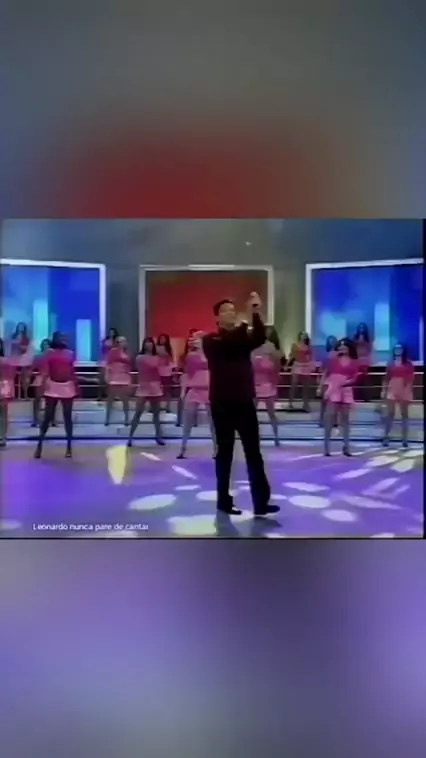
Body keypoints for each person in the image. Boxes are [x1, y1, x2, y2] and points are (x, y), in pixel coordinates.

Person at [202, 292, 279, 517]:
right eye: (226, 311)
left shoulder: (242, 337)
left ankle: (261, 502)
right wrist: (246, 321)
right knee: (225, 453)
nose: (231, 313)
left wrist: (255, 312)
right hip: (221, 403)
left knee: (253, 453)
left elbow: (259, 338)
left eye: (233, 310)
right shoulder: (211, 340)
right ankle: (223, 501)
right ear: (217, 317)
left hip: (245, 401)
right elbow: (231, 343)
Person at [34, 332, 78, 458]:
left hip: (67, 386)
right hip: (53, 385)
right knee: (48, 416)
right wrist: (43, 385)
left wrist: (76, 386)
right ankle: (39, 444)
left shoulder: (70, 353)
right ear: (55, 339)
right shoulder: (49, 353)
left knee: (67, 417)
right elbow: (45, 370)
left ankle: (69, 447)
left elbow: (72, 371)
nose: (63, 339)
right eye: (61, 338)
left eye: (64, 338)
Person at [177, 331, 216, 459]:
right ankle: (183, 448)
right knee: (187, 420)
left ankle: (216, 449)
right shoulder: (191, 356)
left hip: (209, 390)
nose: (194, 341)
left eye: (197, 339)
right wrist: (183, 391)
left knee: (213, 422)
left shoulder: (212, 354)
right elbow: (186, 374)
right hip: (194, 389)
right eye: (194, 339)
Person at [320, 338, 359, 457]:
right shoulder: (333, 359)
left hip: (346, 390)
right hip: (333, 389)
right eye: (340, 346)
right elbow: (325, 373)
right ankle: (326, 447)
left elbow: (355, 378)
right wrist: (322, 388)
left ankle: (346, 446)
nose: (342, 348)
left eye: (345, 346)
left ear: (349, 348)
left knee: (345, 420)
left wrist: (346, 383)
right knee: (330, 419)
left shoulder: (354, 362)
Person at [127, 337, 164, 447]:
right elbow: (144, 368)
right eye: (147, 343)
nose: (149, 345)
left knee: (156, 414)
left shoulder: (157, 357)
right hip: (144, 385)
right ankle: (130, 437)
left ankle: (158, 436)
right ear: (144, 345)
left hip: (155, 385)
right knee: (138, 412)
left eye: (150, 343)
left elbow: (160, 369)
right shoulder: (140, 358)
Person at [252, 326, 282, 447]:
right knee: (251, 413)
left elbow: (277, 363)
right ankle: (253, 437)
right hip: (255, 383)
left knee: (271, 413)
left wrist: (274, 375)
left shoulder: (271, 346)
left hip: (268, 383)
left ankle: (276, 436)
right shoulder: (253, 346)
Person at [381, 343, 414, 449]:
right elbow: (386, 378)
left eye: (400, 348)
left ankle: (404, 439)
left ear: (403, 350)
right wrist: (383, 390)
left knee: (404, 415)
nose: (398, 350)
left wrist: (407, 389)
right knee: (390, 414)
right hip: (392, 388)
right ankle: (386, 437)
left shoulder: (408, 363)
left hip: (404, 388)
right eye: (396, 348)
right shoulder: (390, 363)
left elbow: (411, 378)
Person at [104, 336, 132, 426]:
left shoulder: (127, 353)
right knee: (110, 399)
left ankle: (127, 418)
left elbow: (128, 367)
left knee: (125, 399)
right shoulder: (113, 351)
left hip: (124, 376)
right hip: (114, 376)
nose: (123, 343)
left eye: (124, 341)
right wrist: (107, 375)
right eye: (121, 341)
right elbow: (108, 364)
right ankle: (107, 418)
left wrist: (129, 379)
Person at [30, 338, 56, 427]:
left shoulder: (54, 356)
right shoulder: (37, 356)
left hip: (51, 379)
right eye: (44, 344)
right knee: (37, 400)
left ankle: (52, 420)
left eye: (47, 344)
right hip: (40, 378)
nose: (45, 346)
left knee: (52, 401)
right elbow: (32, 367)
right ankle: (35, 419)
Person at [176, 328, 198, 427]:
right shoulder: (183, 355)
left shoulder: (200, 354)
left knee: (195, 400)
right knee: (181, 399)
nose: (191, 342)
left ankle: (194, 420)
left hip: (196, 377)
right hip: (185, 377)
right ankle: (179, 419)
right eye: (189, 340)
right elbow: (180, 366)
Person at [288, 331, 314, 412]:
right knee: (294, 384)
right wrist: (286, 364)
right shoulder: (295, 345)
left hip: (305, 365)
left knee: (306, 386)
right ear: (299, 336)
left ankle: (305, 403)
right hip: (297, 365)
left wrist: (311, 365)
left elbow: (311, 356)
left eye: (305, 335)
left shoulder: (308, 346)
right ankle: (290, 402)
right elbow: (292, 355)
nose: (303, 336)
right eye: (302, 334)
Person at [317, 335, 338, 427]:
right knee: (324, 402)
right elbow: (322, 370)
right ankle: (321, 420)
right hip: (326, 380)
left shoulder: (340, 355)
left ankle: (334, 420)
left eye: (334, 341)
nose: (332, 343)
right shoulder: (326, 356)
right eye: (330, 341)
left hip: (336, 380)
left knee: (336, 401)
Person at [0, 338, 16, 448]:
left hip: (4, 386)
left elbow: (10, 376)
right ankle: (2, 437)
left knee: (3, 414)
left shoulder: (6, 361)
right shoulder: (7, 361)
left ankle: (2, 437)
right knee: (3, 414)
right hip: (5, 386)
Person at [11, 322, 33, 399]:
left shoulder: (26, 338)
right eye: (19, 326)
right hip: (14, 360)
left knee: (25, 378)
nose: (20, 328)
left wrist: (19, 346)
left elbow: (24, 349)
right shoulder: (13, 336)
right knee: (13, 378)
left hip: (25, 361)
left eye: (22, 327)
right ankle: (13, 394)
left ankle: (25, 395)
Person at [156, 333, 175, 414]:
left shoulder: (169, 349)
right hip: (157, 370)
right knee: (156, 389)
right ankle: (156, 406)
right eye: (161, 338)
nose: (162, 340)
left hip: (167, 371)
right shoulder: (155, 348)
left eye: (164, 339)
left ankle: (168, 406)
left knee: (167, 389)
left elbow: (171, 359)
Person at [99, 327, 119, 400]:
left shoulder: (117, 342)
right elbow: (103, 350)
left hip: (113, 361)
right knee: (102, 379)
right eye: (110, 332)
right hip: (105, 360)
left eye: (113, 332)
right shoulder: (106, 341)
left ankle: (113, 395)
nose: (111, 333)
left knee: (113, 379)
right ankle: (100, 395)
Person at [353, 323, 372, 402]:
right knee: (356, 378)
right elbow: (353, 348)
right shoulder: (355, 337)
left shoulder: (368, 338)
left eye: (363, 327)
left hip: (365, 360)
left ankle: (366, 397)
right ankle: (356, 397)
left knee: (364, 379)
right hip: (356, 360)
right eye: (360, 327)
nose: (361, 329)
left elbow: (369, 349)